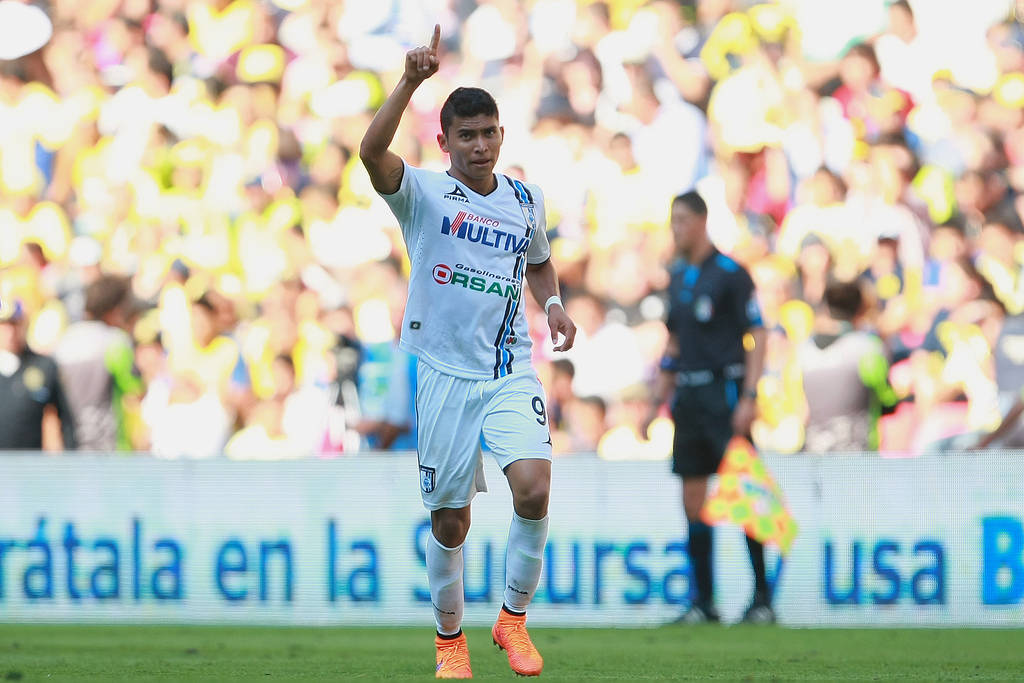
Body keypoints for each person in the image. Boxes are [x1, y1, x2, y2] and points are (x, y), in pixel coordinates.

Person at [358, 25, 576, 679]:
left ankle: (513, 619)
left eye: (489, 134)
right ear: (444, 142)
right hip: (444, 371)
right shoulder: (421, 194)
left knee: (534, 489)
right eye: (467, 135)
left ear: (501, 136)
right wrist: (409, 82)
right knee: (451, 523)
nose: (480, 145)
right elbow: (370, 153)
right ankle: (449, 640)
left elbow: (538, 262)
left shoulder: (525, 200)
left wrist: (553, 303)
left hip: (509, 366)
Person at [642, 191, 770, 624]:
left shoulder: (731, 273)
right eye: (672, 220)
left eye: (681, 220)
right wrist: (657, 399)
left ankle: (762, 599)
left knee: (744, 494)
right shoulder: (677, 275)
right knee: (692, 498)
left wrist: (749, 395)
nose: (675, 228)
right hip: (689, 396)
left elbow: (758, 334)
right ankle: (704, 601)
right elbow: (675, 342)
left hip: (725, 391)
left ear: (701, 221)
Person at [55, 274, 142, 451]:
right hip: (109, 446)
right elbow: (134, 392)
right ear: (115, 310)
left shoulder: (65, 340)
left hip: (72, 445)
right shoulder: (116, 342)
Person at [0, 299, 77, 451]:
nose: (10, 332)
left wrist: (67, 457)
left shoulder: (42, 366)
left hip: (29, 461)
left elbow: (65, 420)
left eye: (15, 324)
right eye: (4, 325)